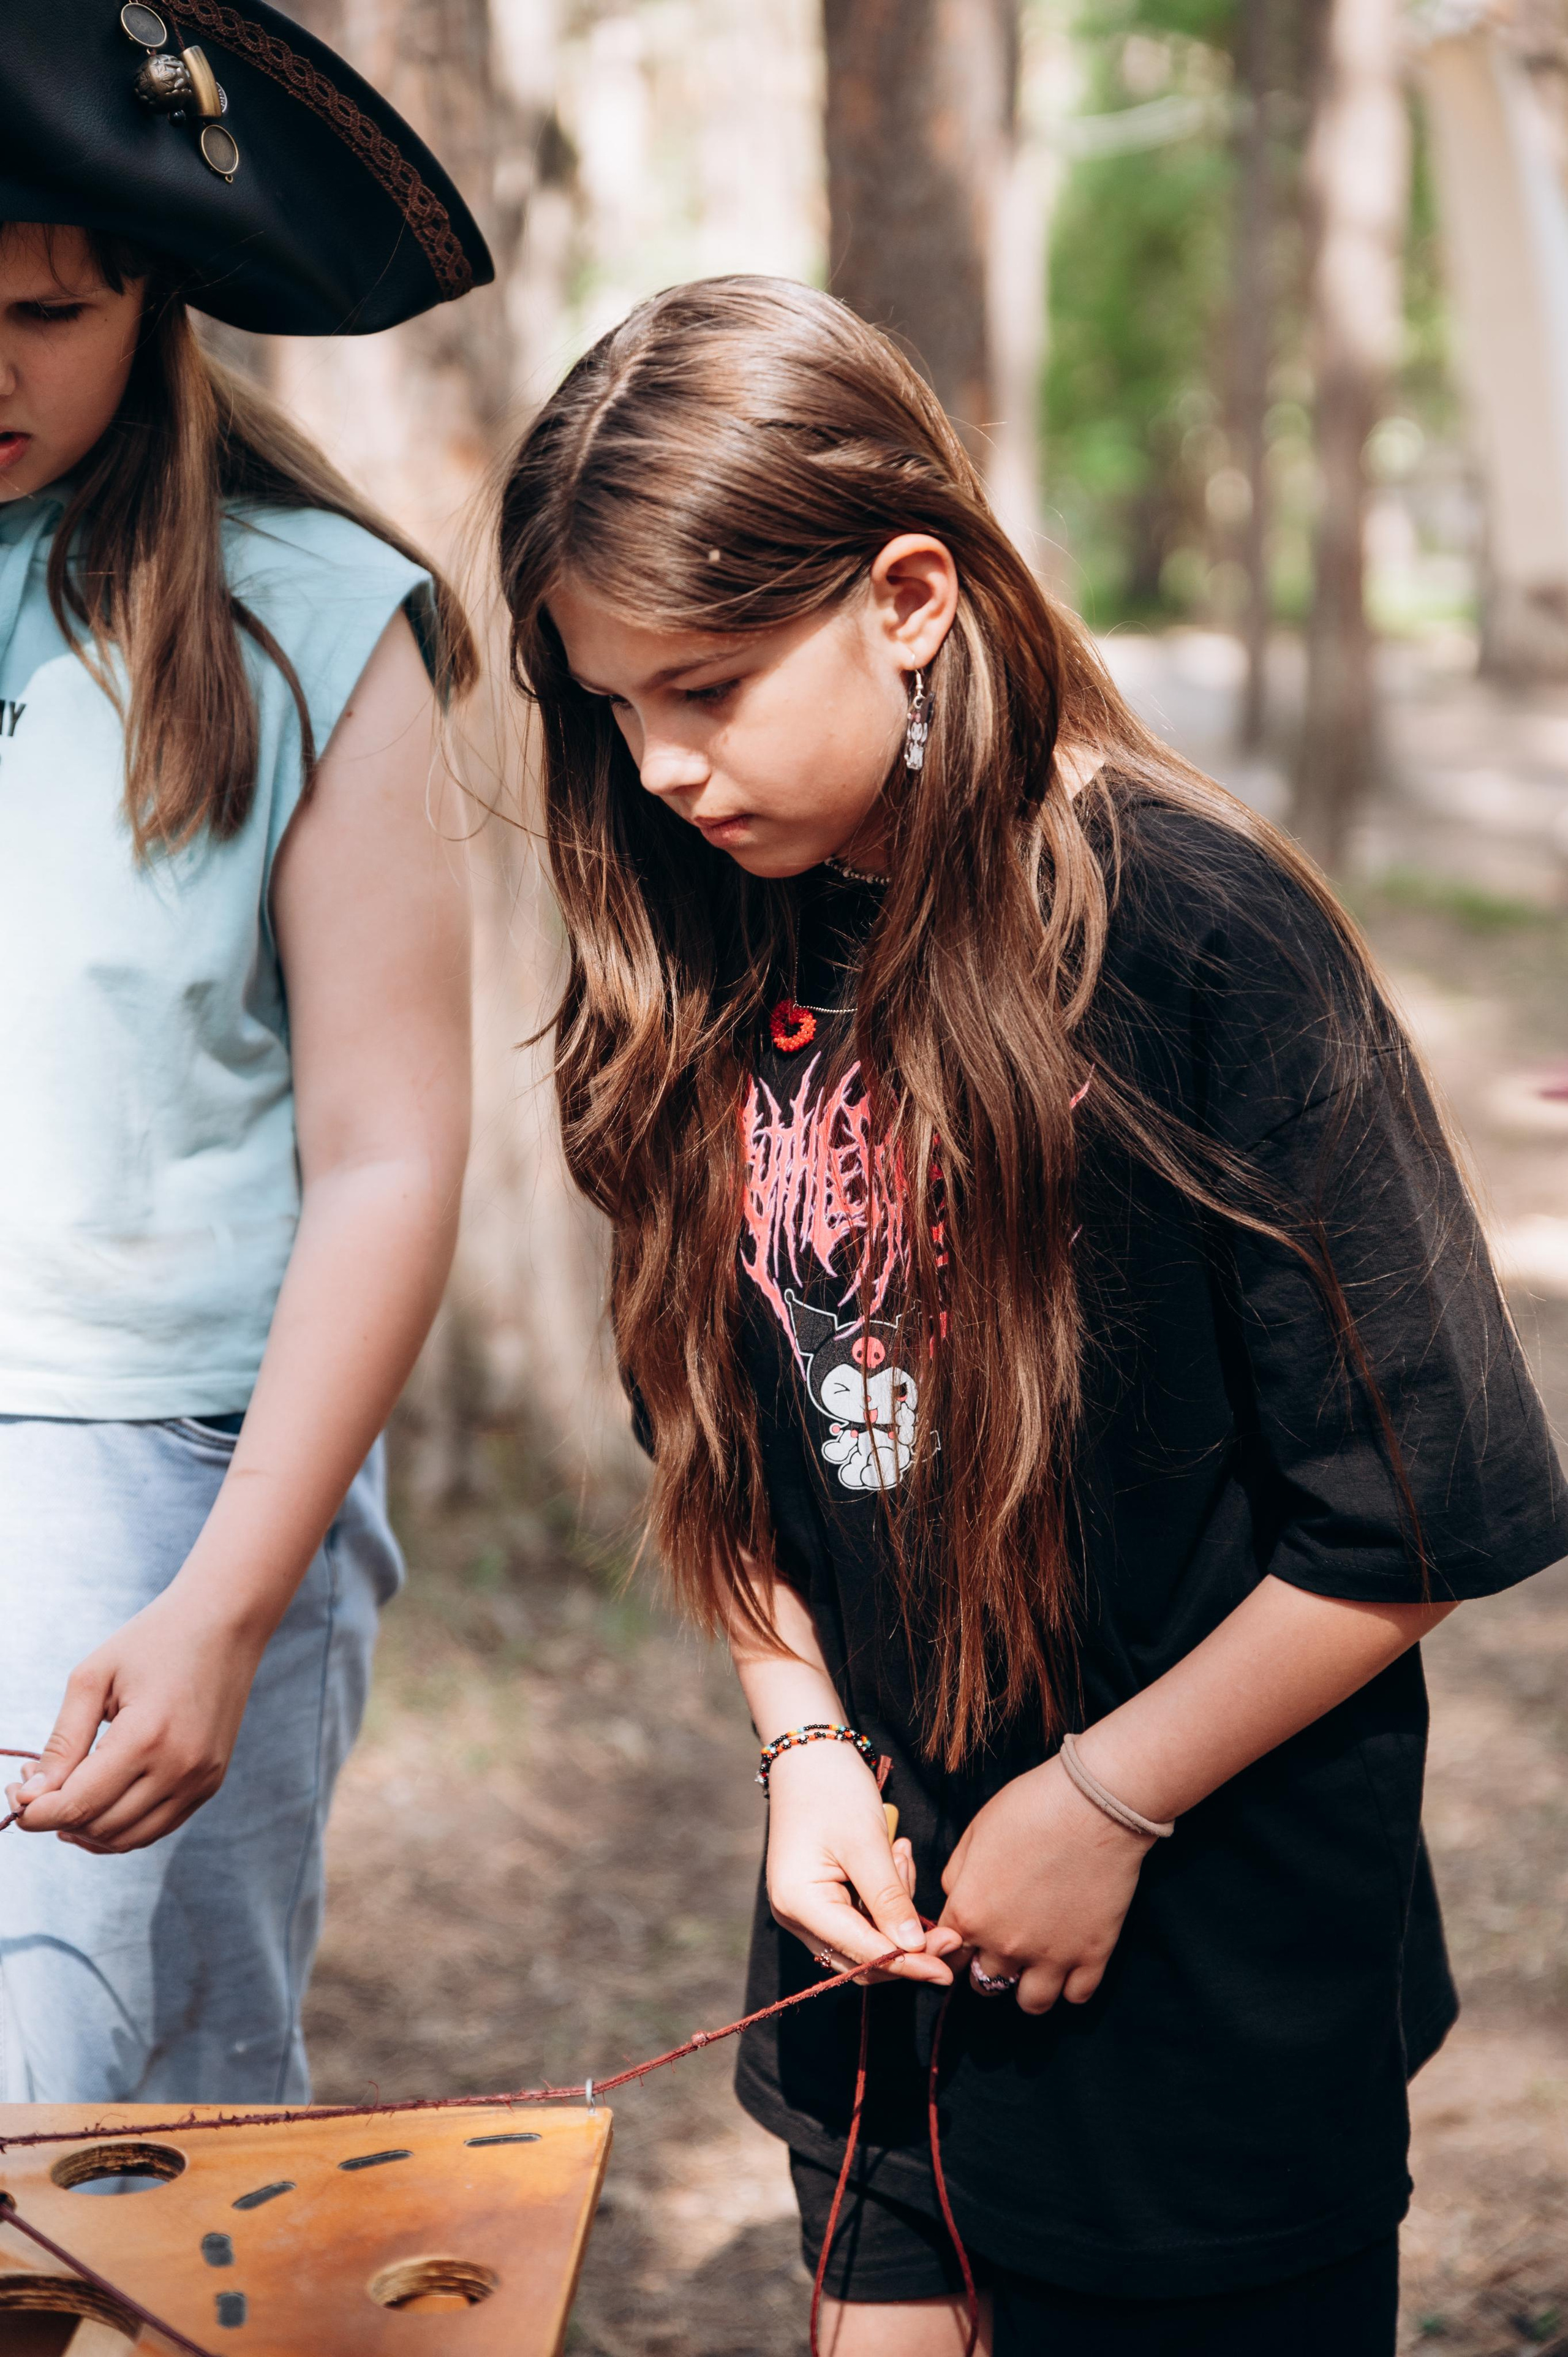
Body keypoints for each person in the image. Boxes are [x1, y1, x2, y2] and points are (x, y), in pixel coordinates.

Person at [494, 277, 1568, 2357]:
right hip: (882, 1988)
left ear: (909, 593)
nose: (661, 769)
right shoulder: (702, 932)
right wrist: (797, 1737)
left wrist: (1106, 1802)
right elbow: (708, 1419)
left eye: (706, 685)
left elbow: (1425, 1500)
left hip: (1211, 1997)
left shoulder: (1196, 935)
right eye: (610, 708)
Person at [0, 0, 492, 2106]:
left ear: (156, 297)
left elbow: (392, 1156)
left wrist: (223, 1600)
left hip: (160, 1489)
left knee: (106, 2183)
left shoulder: (307, 620)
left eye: (46, 309)